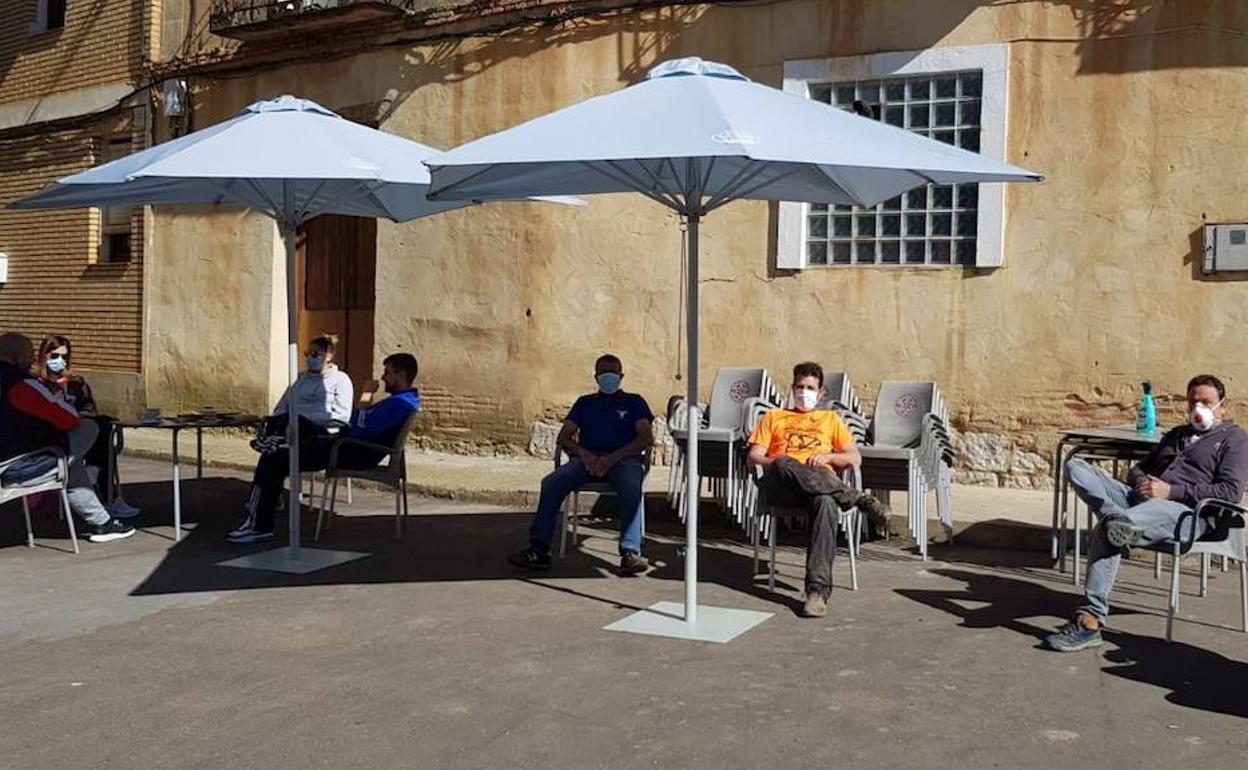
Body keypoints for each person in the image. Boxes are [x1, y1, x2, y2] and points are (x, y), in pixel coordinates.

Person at [1045, 374, 1248, 652]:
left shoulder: (1234, 440)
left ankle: (1090, 622)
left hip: (1185, 514)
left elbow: (1230, 491)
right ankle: (1118, 519)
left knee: (1110, 529)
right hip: (1139, 501)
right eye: (1193, 402)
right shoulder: (1177, 435)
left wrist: (1171, 491)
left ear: (1223, 407)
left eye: (1206, 402)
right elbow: (1138, 468)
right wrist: (1141, 482)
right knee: (1077, 467)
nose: (1198, 408)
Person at [228, 352, 421, 544]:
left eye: (387, 373)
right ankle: (276, 442)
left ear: (401, 376)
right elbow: (361, 422)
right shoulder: (404, 400)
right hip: (346, 445)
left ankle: (258, 526)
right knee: (297, 422)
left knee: (273, 460)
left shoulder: (401, 403)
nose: (383, 377)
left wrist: (366, 394)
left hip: (350, 451)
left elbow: (360, 426)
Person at [746, 361, 890, 618]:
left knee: (825, 502)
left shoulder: (831, 419)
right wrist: (779, 463)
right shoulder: (774, 417)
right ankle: (855, 498)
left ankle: (816, 592)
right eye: (799, 386)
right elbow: (753, 457)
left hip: (821, 486)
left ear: (821, 392)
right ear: (792, 388)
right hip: (782, 486)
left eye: (810, 387)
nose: (804, 392)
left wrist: (830, 456)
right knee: (783, 461)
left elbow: (854, 457)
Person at [508, 354, 653, 575]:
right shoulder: (585, 403)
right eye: (604, 374)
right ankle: (539, 550)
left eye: (613, 374)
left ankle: (630, 552)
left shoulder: (635, 402)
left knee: (632, 486)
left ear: (621, 376)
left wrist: (613, 457)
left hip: (623, 461)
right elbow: (564, 437)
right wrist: (585, 455)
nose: (608, 378)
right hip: (588, 461)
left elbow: (645, 438)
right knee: (552, 483)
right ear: (596, 377)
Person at [0, 332, 135, 543]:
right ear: (18, 357)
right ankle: (95, 483)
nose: (32, 359)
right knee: (89, 428)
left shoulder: (73, 382)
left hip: (24, 458)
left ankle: (103, 523)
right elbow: (69, 419)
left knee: (68, 465)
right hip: (19, 466)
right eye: (31, 354)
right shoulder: (24, 385)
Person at [37, 334, 140, 518]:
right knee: (97, 434)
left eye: (65, 357)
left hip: (77, 428)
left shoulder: (76, 383)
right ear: (44, 356)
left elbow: (89, 408)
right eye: (54, 356)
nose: (60, 361)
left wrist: (75, 413)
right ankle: (100, 487)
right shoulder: (36, 384)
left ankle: (109, 496)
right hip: (51, 433)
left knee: (104, 426)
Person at [250, 335, 354, 454]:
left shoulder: (340, 380)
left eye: (315, 354)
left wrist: (305, 418)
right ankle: (274, 442)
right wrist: (285, 417)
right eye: (307, 354)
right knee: (271, 452)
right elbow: (282, 406)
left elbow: (343, 416)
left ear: (328, 356)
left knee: (299, 424)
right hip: (291, 425)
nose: (310, 358)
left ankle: (278, 441)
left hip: (321, 432)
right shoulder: (299, 379)